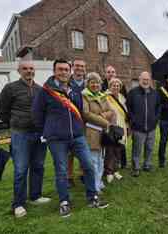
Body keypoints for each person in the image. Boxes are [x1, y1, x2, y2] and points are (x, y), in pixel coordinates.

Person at [33, 59, 108, 218]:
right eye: (60, 69)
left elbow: (80, 111)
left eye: (66, 69)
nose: (63, 72)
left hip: (77, 136)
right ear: (54, 71)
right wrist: (48, 131)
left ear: (70, 71)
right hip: (57, 139)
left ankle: (92, 197)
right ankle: (64, 202)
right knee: (61, 171)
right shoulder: (45, 91)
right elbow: (37, 115)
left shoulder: (74, 90)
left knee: (88, 165)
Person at [0, 60, 50, 218]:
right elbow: (2, 112)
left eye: (31, 68)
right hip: (20, 134)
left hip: (39, 134)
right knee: (21, 169)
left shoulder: (40, 89)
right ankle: (18, 204)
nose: (29, 71)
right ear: (19, 71)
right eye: (25, 69)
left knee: (38, 166)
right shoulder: (10, 88)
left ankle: (35, 196)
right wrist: (15, 124)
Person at [82, 72, 116, 193]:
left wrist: (101, 115)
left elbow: (111, 111)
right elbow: (86, 114)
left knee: (101, 159)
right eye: (92, 82)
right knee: (93, 161)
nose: (95, 85)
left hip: (103, 133)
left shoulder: (102, 96)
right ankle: (94, 186)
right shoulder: (85, 96)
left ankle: (99, 181)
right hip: (91, 133)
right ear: (88, 84)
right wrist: (105, 121)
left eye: (97, 82)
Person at [126, 72, 161, 177]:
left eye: (147, 79)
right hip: (138, 127)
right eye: (143, 79)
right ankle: (136, 167)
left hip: (151, 127)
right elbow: (129, 108)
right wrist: (133, 120)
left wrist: (155, 119)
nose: (145, 81)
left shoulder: (155, 93)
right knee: (137, 148)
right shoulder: (133, 93)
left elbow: (158, 107)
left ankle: (147, 164)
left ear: (150, 80)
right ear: (139, 80)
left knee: (149, 147)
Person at [104, 78, 129, 182]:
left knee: (118, 149)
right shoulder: (105, 97)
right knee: (110, 150)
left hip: (121, 126)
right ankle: (109, 172)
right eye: (114, 85)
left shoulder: (122, 98)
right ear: (110, 86)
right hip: (110, 126)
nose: (116, 87)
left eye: (118, 86)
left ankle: (116, 170)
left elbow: (126, 112)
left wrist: (127, 125)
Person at [68, 59, 86, 188]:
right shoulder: (66, 83)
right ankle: (69, 176)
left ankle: (82, 173)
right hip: (70, 122)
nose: (79, 68)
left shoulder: (88, 83)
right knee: (69, 151)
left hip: (86, 122)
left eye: (82, 66)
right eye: (77, 66)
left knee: (85, 148)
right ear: (72, 67)